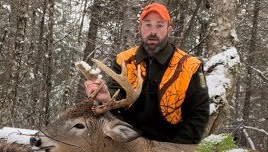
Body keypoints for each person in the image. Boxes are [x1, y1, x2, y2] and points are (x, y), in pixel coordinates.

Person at [84, 2, 209, 144]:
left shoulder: (189, 66)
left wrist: (177, 151)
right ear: (140, 28)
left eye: (160, 25)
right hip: (129, 144)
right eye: (147, 25)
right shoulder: (123, 60)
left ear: (169, 29)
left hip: (171, 146)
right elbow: (115, 99)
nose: (153, 32)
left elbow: (199, 115)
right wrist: (105, 99)